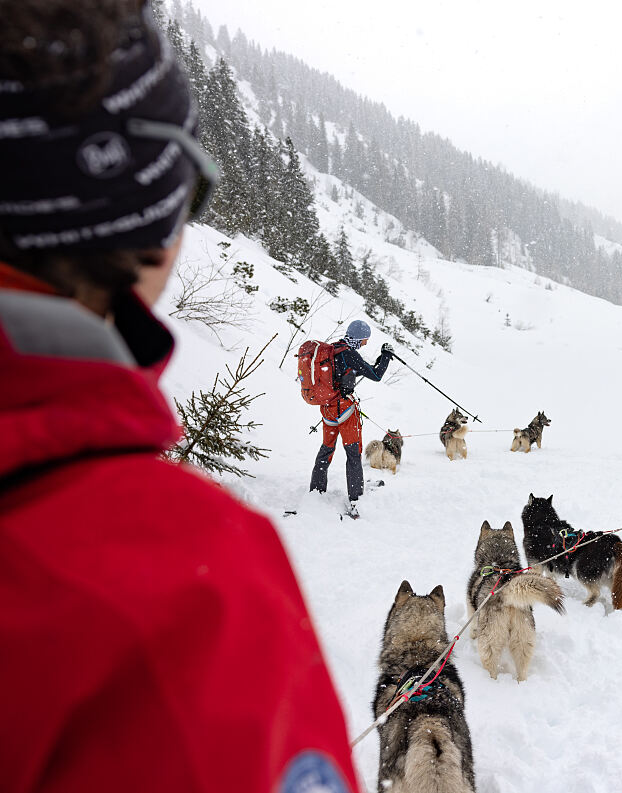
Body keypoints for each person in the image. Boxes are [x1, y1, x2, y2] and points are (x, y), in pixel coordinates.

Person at [0, 3, 360, 791]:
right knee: (342, 454)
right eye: (185, 194)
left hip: (329, 420)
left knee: (335, 453)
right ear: (145, 225)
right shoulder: (187, 586)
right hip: (330, 427)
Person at [309, 319, 395, 512]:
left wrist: (378, 361)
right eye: (364, 340)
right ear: (358, 338)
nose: (365, 343)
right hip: (346, 413)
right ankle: (356, 498)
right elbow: (376, 375)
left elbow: (353, 371)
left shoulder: (334, 349)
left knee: (326, 450)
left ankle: (316, 490)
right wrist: (387, 356)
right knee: (353, 454)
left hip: (328, 410)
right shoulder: (350, 354)